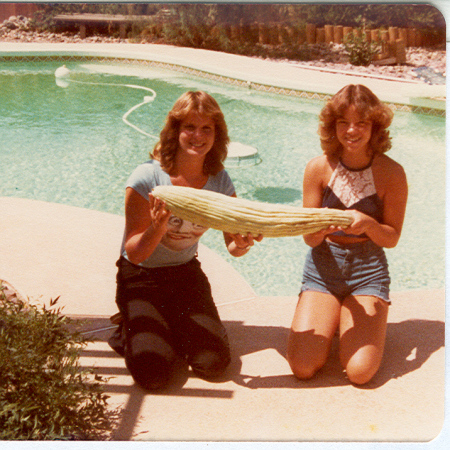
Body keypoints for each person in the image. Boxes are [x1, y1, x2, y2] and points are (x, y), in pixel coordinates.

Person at [108, 91, 262, 390]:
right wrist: (156, 228)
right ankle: (128, 325)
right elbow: (135, 254)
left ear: (217, 135)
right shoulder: (147, 178)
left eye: (207, 128)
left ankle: (167, 322)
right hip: (140, 277)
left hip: (184, 274)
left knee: (213, 364)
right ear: (175, 130)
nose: (198, 135)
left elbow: (233, 244)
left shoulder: (219, 180)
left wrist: (241, 244)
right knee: (155, 374)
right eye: (190, 126)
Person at [287, 84, 408, 385]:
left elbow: (391, 238)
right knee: (302, 366)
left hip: (367, 270)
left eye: (361, 123)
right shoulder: (318, 169)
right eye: (343, 122)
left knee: (359, 373)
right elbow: (309, 239)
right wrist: (319, 230)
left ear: (375, 126)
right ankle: (332, 312)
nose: (351, 130)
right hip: (323, 268)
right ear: (332, 126)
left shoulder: (392, 173)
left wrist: (368, 224)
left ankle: (364, 314)